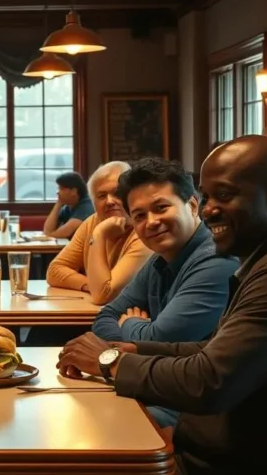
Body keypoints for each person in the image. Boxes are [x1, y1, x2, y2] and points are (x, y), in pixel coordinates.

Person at [58, 135, 267, 475]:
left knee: (71, 455)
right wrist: (132, 347)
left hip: (243, 464)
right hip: (218, 448)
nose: (209, 209)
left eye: (225, 195)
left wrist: (109, 361)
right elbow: (212, 352)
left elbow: (208, 382)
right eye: (207, 197)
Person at [88, 158, 236, 428]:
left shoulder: (217, 259)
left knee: (101, 426)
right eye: (140, 215)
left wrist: (130, 323)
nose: (152, 222)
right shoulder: (159, 260)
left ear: (192, 206)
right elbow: (106, 316)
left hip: (200, 409)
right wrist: (136, 335)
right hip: (155, 387)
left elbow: (162, 338)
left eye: (161, 208)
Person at [46, 162, 152, 303]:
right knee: (42, 325)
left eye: (117, 193)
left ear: (132, 194)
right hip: (96, 313)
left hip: (132, 318)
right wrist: (90, 285)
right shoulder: (93, 221)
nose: (109, 201)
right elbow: (54, 271)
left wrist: (99, 234)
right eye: (101, 196)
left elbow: (104, 294)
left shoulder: (145, 229)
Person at [42, 171, 95, 239]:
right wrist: (58, 203)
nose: (57, 192)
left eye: (61, 188)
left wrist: (59, 202)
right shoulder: (69, 206)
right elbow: (47, 230)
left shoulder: (87, 207)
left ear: (73, 191)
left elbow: (57, 234)